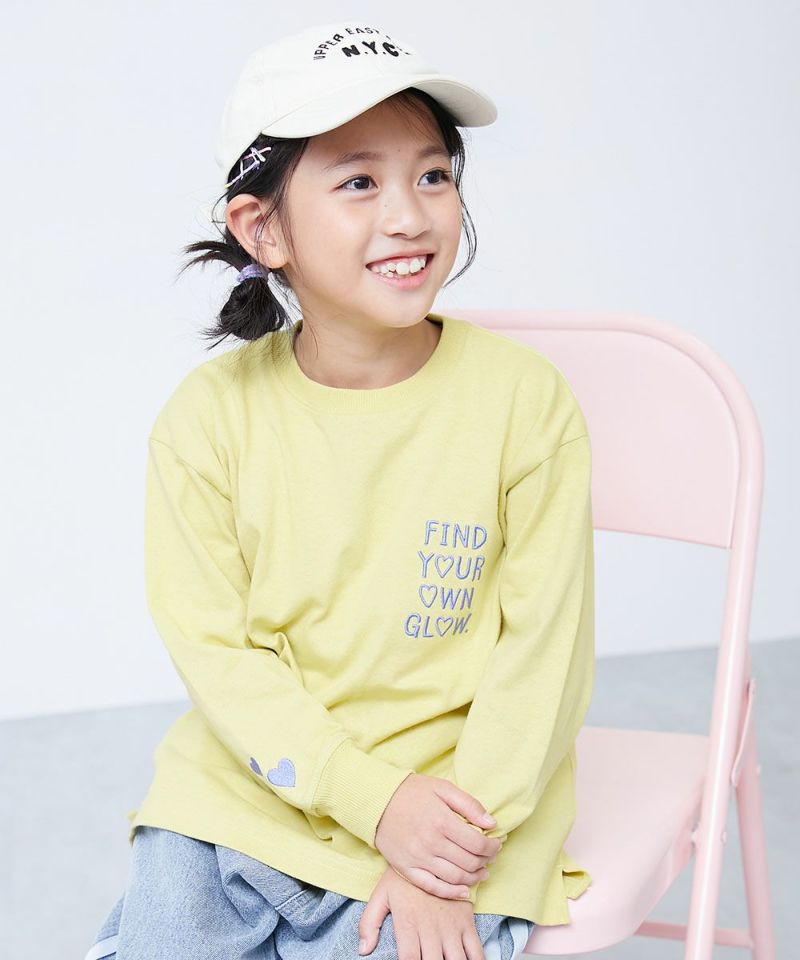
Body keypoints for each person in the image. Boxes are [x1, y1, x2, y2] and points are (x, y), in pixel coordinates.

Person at [84, 18, 595, 960]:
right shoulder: (208, 420)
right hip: (250, 791)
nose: (410, 216)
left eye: (432, 174)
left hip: (457, 806)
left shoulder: (524, 402)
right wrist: (368, 798)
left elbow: (544, 660)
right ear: (263, 228)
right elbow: (218, 655)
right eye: (359, 182)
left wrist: (442, 852)